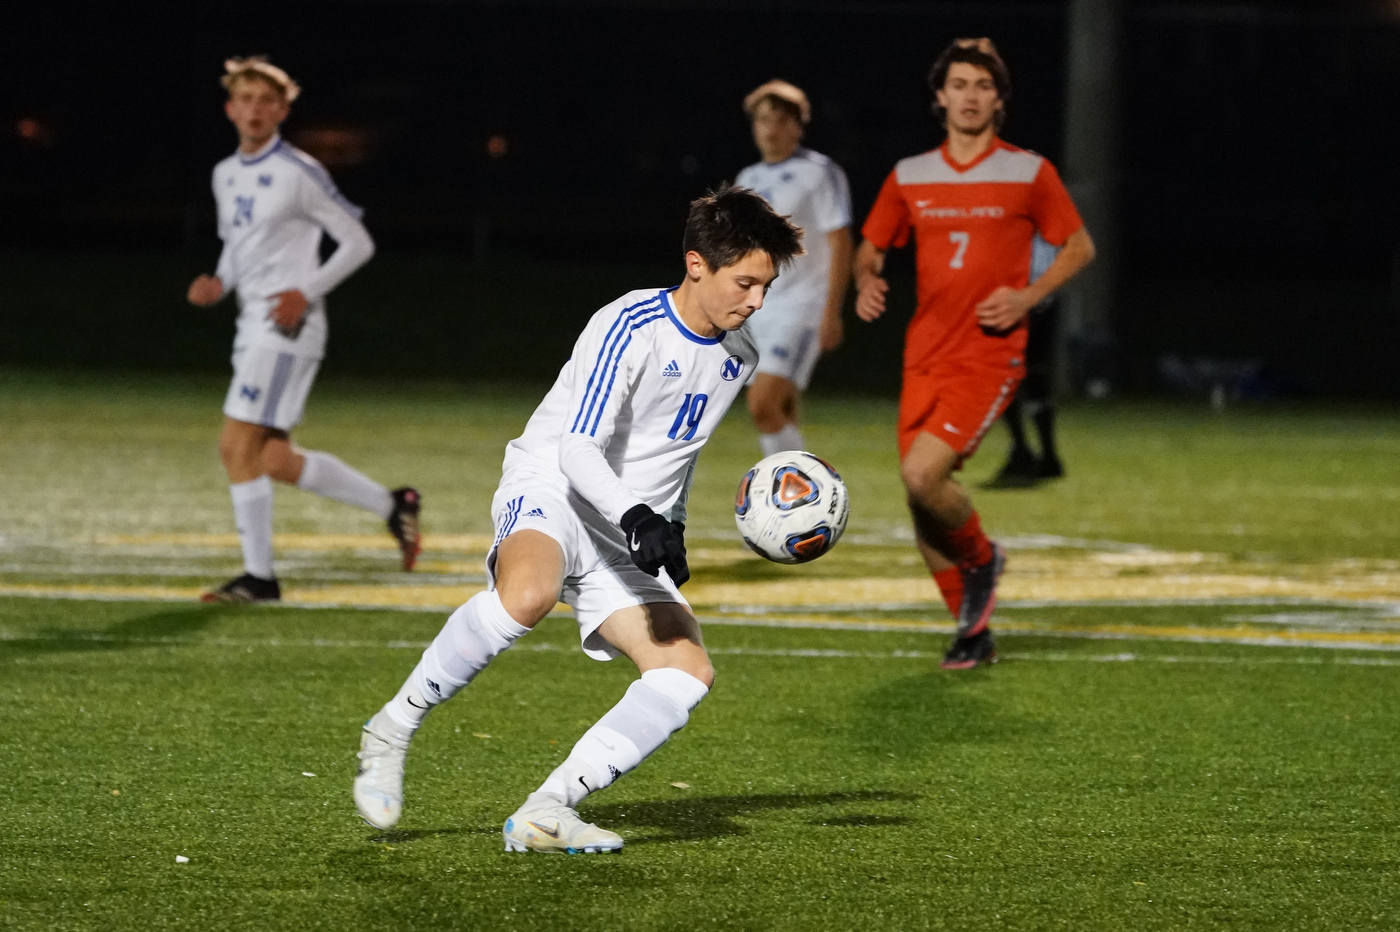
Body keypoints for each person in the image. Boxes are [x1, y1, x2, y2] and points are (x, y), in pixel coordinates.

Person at [352, 184, 803, 853]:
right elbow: (578, 446)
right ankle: (392, 726)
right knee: (526, 596)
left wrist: (668, 523)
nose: (756, 302)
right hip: (556, 488)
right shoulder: (628, 325)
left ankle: (548, 808)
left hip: (625, 527)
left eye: (765, 287)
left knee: (685, 670)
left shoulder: (739, 358)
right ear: (697, 265)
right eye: (746, 283)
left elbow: (675, 453)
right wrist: (640, 516)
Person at [852, 38, 1095, 668]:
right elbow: (872, 245)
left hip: (988, 355)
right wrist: (867, 277)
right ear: (940, 96)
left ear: (999, 100)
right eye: (959, 84)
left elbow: (1077, 247)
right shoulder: (911, 174)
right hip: (923, 355)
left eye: (983, 86)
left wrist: (1027, 297)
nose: (970, 96)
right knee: (920, 500)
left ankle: (984, 557)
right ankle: (972, 630)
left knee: (922, 475)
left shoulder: (1028, 172)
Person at [186, 57, 421, 603]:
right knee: (270, 458)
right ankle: (394, 505)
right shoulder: (225, 173)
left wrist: (305, 292)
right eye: (245, 99)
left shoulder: (299, 172)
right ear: (230, 108)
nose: (255, 110)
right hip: (251, 325)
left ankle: (259, 578)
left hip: (286, 329)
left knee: (234, 445)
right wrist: (218, 284)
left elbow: (359, 242)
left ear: (283, 111)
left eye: (267, 101)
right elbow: (236, 249)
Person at [735, 80, 852, 456]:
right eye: (763, 119)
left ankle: (800, 486)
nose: (770, 128)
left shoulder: (819, 172)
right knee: (781, 409)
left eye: (781, 120)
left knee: (762, 404)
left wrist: (831, 311)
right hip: (758, 311)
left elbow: (840, 242)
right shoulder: (747, 179)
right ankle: (794, 502)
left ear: (798, 126)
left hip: (802, 308)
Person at [985, 235, 1066, 487]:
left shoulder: (1024, 207)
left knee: (1006, 372)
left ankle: (1024, 451)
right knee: (1032, 373)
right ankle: (1043, 454)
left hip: (1023, 295)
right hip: (1039, 296)